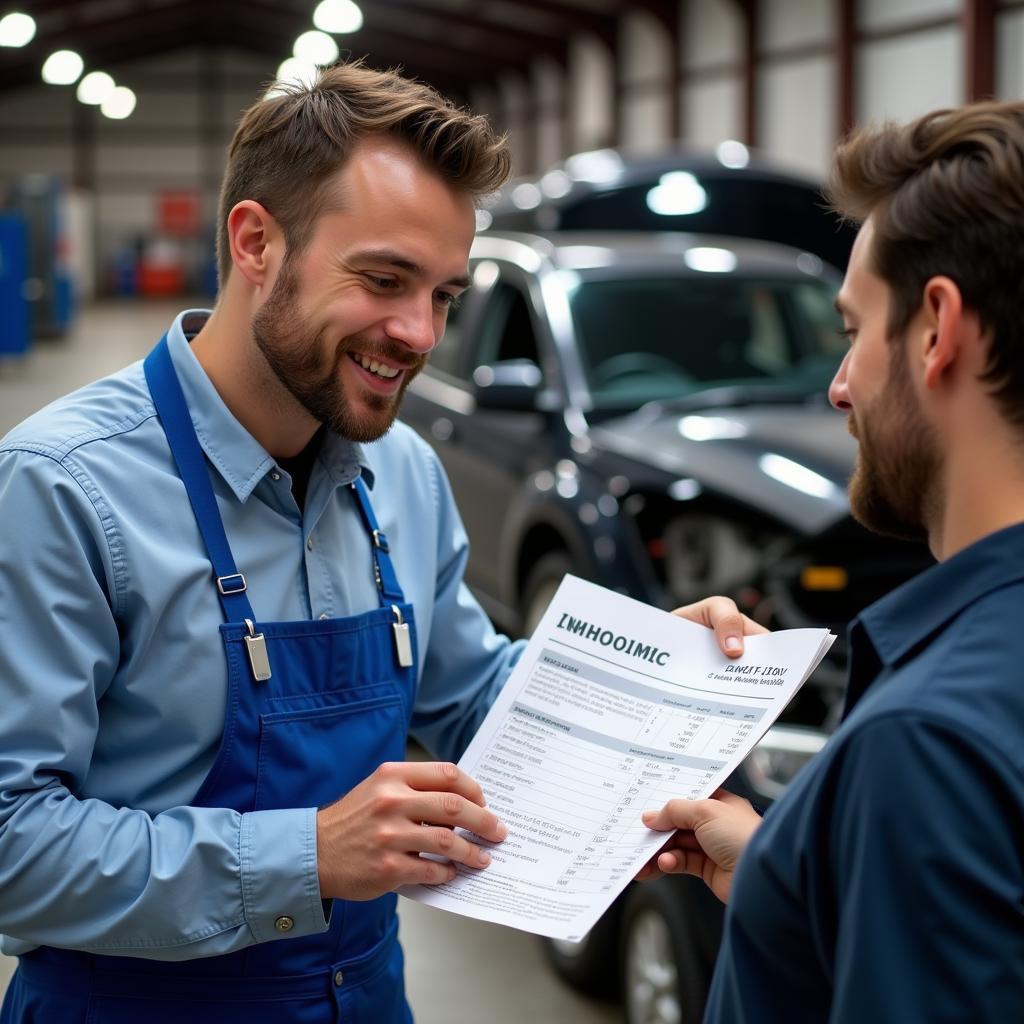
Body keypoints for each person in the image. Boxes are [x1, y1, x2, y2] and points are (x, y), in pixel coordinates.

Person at [0, 63, 526, 1024]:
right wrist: (309, 855)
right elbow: (9, 844)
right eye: (383, 279)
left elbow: (472, 696)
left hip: (365, 997)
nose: (418, 332)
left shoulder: (401, 472)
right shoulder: (63, 487)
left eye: (444, 294)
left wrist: (661, 675)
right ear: (255, 243)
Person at [640, 101, 1024, 1021]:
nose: (839, 385)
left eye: (854, 328)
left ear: (937, 330)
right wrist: (788, 869)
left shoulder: (927, 745)